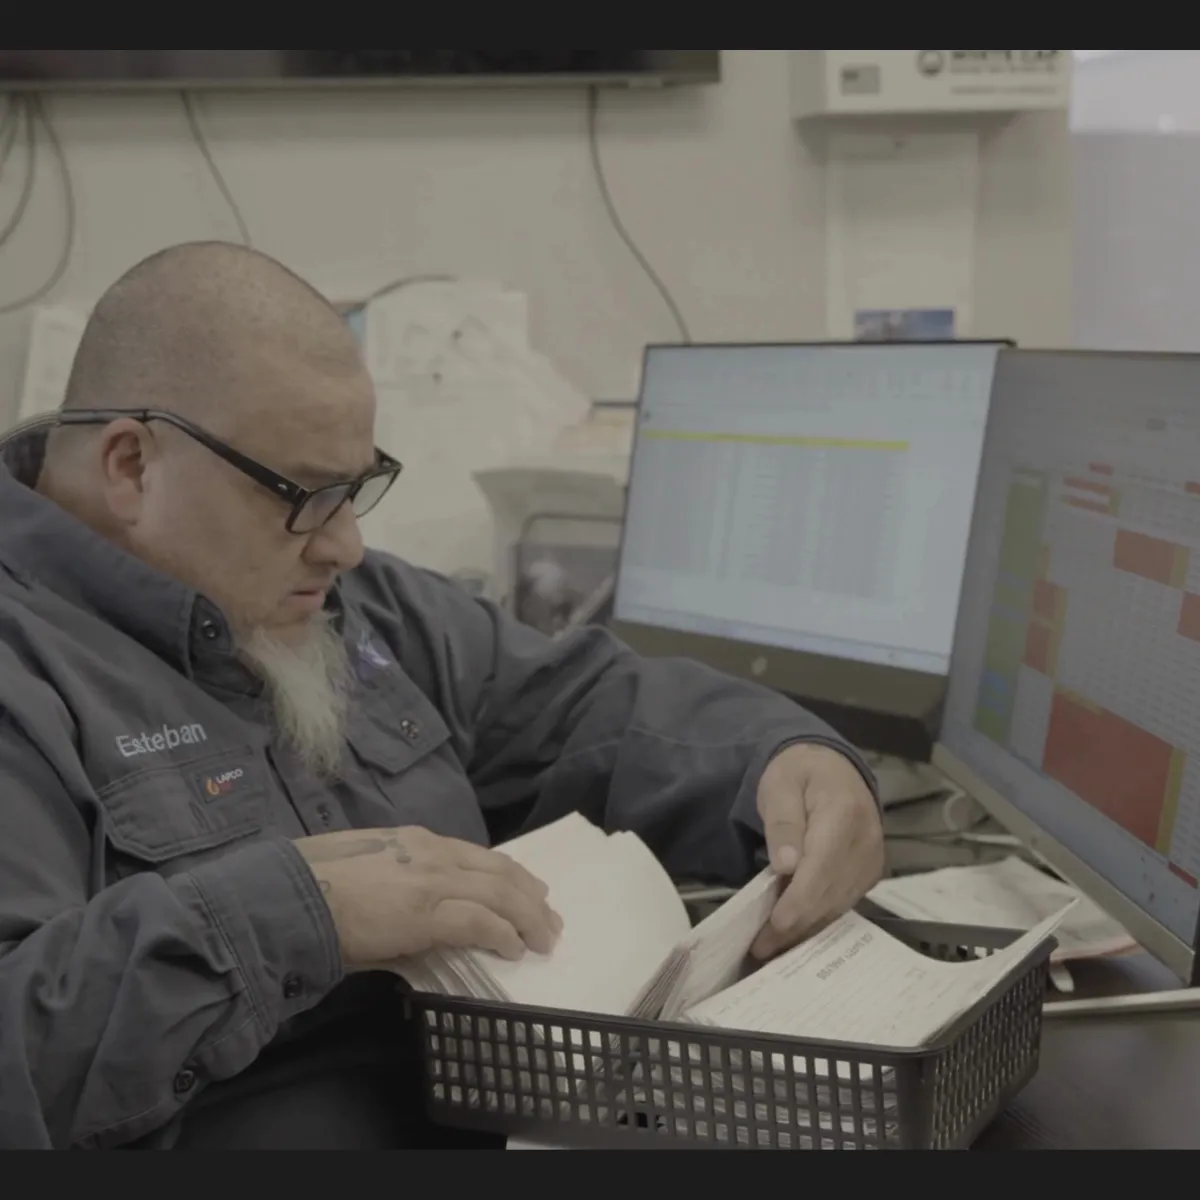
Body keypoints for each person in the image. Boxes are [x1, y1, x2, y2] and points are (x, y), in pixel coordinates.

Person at [0, 242, 885, 1151]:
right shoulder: (27, 675)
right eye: (304, 496)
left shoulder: (356, 605)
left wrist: (783, 758)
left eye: (358, 489)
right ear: (131, 467)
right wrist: (294, 917)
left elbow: (585, 705)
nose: (343, 545)